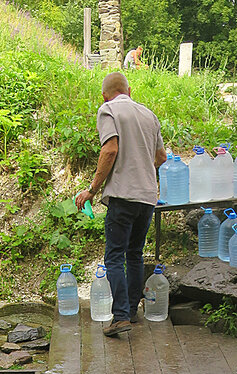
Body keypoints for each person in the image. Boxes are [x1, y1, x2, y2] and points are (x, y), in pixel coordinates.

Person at [74, 72, 167, 337]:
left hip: (123, 196)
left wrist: (92, 189)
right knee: (134, 253)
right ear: (129, 90)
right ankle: (132, 312)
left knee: (114, 255)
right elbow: (161, 156)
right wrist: (141, 170)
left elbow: (110, 150)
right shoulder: (149, 115)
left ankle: (120, 316)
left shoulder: (108, 110)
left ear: (104, 95)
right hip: (147, 196)